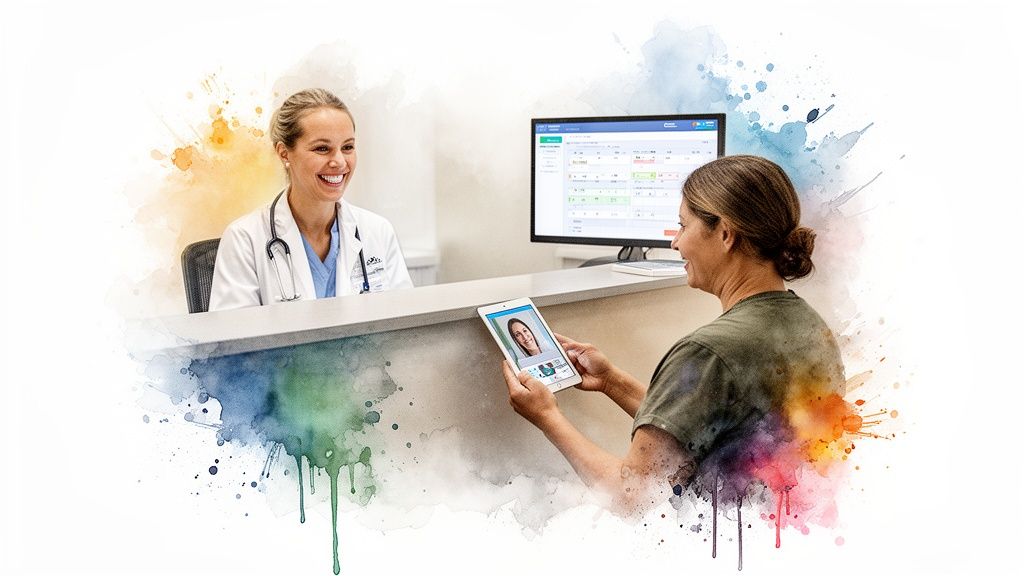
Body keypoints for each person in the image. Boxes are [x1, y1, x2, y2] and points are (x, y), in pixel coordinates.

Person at [502, 155, 845, 514]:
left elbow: (632, 497)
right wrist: (611, 382)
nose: (675, 243)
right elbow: (706, 429)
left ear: (726, 234)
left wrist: (547, 416)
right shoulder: (809, 326)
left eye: (682, 226)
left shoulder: (709, 353)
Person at [209, 88, 413, 310]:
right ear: (284, 153)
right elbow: (235, 331)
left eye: (347, 147)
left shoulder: (377, 231)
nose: (339, 161)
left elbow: (404, 321)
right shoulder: (245, 239)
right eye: (322, 148)